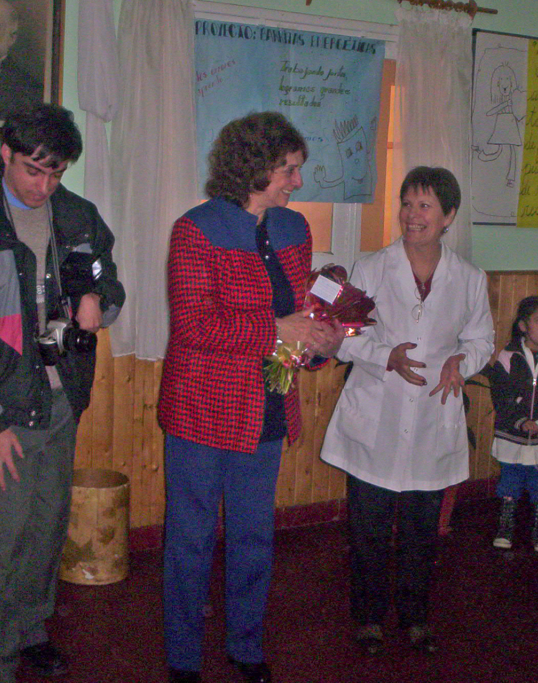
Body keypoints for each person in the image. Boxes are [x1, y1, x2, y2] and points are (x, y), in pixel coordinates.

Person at [0, 104, 124, 683]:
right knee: (0, 538)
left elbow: (106, 281)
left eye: (56, 173)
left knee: (47, 521)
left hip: (63, 398)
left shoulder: (78, 217)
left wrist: (99, 301)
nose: (45, 186)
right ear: (5, 154)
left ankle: (31, 627)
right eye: (34, 171)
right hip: (1, 410)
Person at [157, 112, 345, 683]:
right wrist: (277, 330)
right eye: (289, 170)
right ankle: (184, 658)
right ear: (255, 168)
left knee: (254, 538)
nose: (297, 181)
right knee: (189, 542)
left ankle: (245, 645)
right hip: (200, 410)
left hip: (266, 406)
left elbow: (303, 311)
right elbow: (194, 324)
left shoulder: (294, 229)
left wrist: (322, 340)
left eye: (296, 170)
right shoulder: (195, 229)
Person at [320, 167, 494, 656]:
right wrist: (385, 356)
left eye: (425, 206)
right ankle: (368, 617)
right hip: (376, 409)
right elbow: (345, 338)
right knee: (369, 529)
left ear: (448, 216)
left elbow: (482, 338)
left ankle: (415, 616)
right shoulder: (371, 267)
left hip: (432, 417)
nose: (412, 215)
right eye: (407, 203)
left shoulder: (469, 277)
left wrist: (464, 359)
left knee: (422, 531)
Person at [481, 296, 538, 552]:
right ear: (523, 326)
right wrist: (521, 420)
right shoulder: (508, 356)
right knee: (510, 479)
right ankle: (505, 524)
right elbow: (500, 394)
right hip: (511, 435)